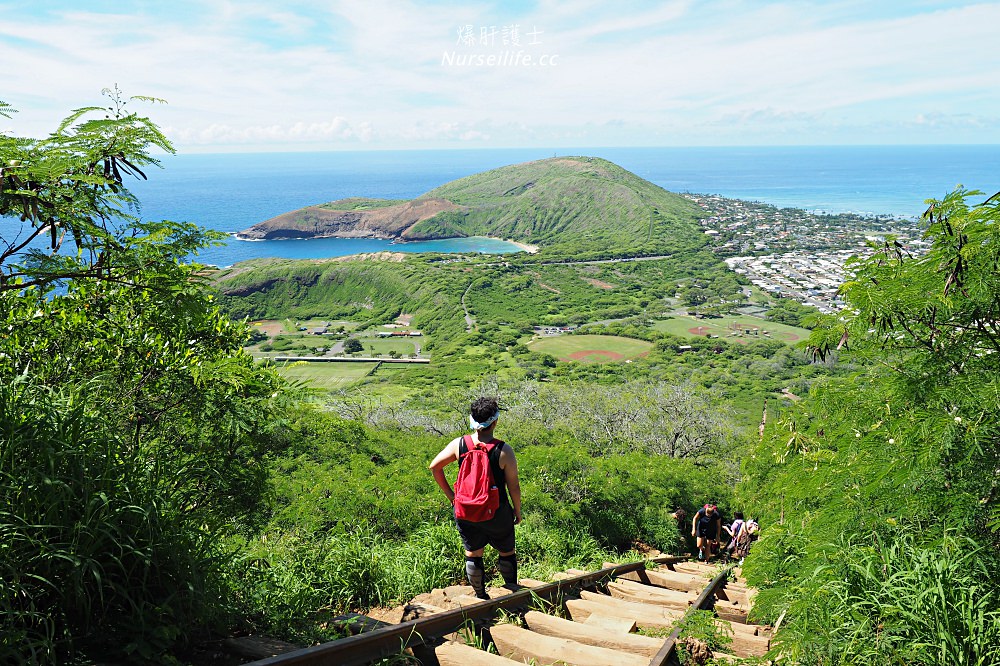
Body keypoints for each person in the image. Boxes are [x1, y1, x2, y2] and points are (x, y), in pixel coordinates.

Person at [430, 397, 522, 599]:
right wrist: (517, 510)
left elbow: (434, 467)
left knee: (473, 554)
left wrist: (452, 498)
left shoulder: (459, 444)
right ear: (495, 421)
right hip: (497, 512)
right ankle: (511, 593)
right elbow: (513, 486)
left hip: (466, 511)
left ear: (471, 420)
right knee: (506, 552)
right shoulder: (504, 451)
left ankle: (480, 596)